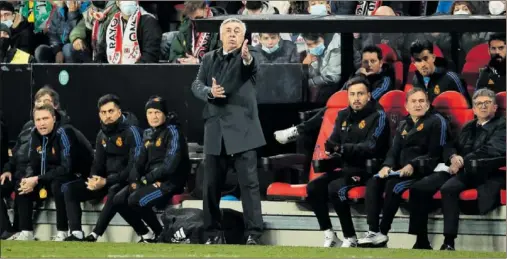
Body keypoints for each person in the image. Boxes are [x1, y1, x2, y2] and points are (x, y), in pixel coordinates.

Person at [191, 18, 265, 245]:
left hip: (243, 130)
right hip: (215, 129)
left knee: (249, 185)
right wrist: (209, 93)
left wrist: (246, 58)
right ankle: (212, 234)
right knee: (210, 185)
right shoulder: (208, 58)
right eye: (228, 31)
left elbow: (250, 66)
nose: (232, 35)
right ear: (221, 35)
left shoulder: (251, 54)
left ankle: (253, 234)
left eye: (237, 31)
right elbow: (196, 85)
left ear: (244, 37)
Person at [408, 88, 506, 250]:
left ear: (495, 107)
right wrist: (453, 157)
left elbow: (491, 149)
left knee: (449, 188)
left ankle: (448, 242)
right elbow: (450, 145)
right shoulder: (468, 126)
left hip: (483, 171)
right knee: (419, 187)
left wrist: (462, 162)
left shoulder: (503, 125)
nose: (483, 107)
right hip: (458, 168)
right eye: (478, 104)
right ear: (473, 109)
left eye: (487, 103)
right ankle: (421, 240)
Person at [357, 87, 449, 247]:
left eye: (421, 101)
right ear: (406, 106)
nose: (418, 105)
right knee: (373, 181)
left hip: (424, 171)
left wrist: (413, 164)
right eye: (413, 101)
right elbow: (394, 151)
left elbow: (436, 153)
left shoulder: (437, 121)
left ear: (428, 105)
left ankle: (383, 232)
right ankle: (373, 231)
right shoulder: (402, 125)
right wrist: (387, 166)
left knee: (395, 186)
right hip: (400, 170)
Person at [306, 76, 390, 248]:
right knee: (313, 187)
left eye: (360, 94)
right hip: (346, 167)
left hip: (368, 169)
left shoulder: (379, 116)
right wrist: (331, 149)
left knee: (335, 188)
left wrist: (342, 149)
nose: (356, 98)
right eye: (352, 94)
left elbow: (371, 146)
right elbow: (333, 141)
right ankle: (329, 233)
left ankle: (350, 237)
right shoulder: (343, 114)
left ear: (369, 95)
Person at [63, 94, 151, 242]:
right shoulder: (101, 135)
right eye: (103, 113)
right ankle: (76, 232)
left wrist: (106, 181)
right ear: (99, 115)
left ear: (119, 112)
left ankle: (96, 234)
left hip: (127, 182)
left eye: (111, 111)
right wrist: (93, 180)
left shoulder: (133, 132)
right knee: (68, 189)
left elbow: (134, 168)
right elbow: (97, 164)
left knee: (115, 191)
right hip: (107, 182)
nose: (107, 116)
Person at [0, 86, 75, 241]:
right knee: (18, 182)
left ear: (55, 108)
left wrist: (35, 178)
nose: (42, 106)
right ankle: (9, 231)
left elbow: (59, 163)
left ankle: (58, 231)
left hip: (46, 174)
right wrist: (8, 169)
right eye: (38, 103)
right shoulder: (29, 127)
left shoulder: (62, 129)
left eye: (46, 103)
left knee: (41, 184)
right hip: (23, 171)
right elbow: (17, 151)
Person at [114, 96, 190, 241]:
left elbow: (170, 166)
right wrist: (135, 179)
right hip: (150, 181)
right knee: (118, 200)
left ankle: (162, 235)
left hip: (170, 183)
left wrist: (144, 180)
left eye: (157, 112)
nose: (153, 116)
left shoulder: (173, 132)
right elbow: (139, 162)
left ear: (164, 114)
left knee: (135, 200)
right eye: (150, 112)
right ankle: (146, 234)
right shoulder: (148, 133)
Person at [13, 104, 93, 241]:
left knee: (58, 184)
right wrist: (29, 179)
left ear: (54, 118)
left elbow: (67, 167)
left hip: (74, 176)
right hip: (47, 177)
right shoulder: (34, 134)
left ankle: (62, 231)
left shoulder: (64, 132)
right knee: (22, 185)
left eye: (45, 118)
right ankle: (26, 231)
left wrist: (38, 178)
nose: (41, 123)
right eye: (38, 120)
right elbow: (33, 164)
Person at [96, 0, 161, 64]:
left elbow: (150, 56)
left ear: (137, 1)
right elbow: (102, 54)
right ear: (117, 2)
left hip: (139, 72)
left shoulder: (149, 22)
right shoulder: (112, 24)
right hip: (114, 72)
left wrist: (129, 72)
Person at [410, 40, 471, 105]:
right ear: (414, 63)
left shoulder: (452, 78)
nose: (423, 64)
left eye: (425, 59)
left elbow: (468, 108)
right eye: (418, 60)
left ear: (433, 58)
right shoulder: (416, 79)